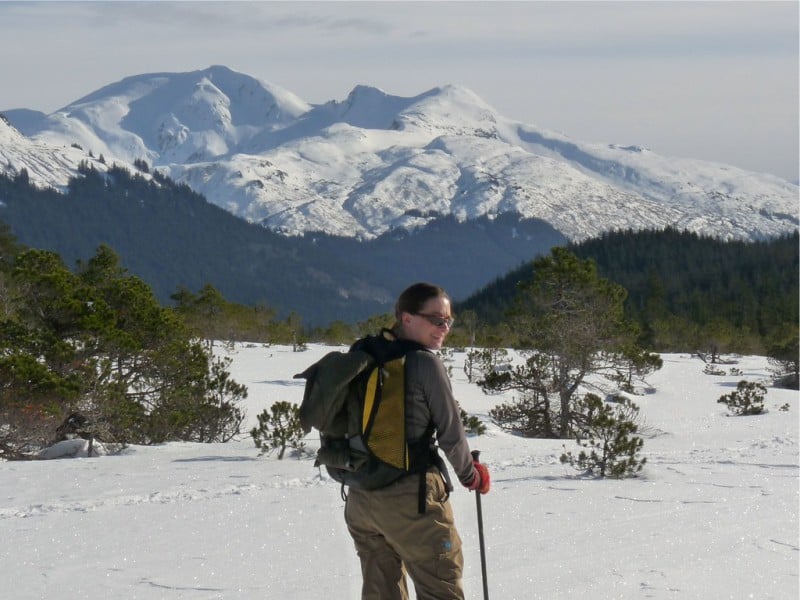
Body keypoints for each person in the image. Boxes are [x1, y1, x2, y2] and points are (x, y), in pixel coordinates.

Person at [344, 282, 491, 600]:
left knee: (381, 592)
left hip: (361, 498)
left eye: (449, 320)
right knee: (440, 588)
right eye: (436, 319)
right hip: (411, 498)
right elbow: (451, 433)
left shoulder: (363, 351)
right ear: (407, 318)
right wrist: (471, 475)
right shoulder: (425, 363)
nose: (445, 328)